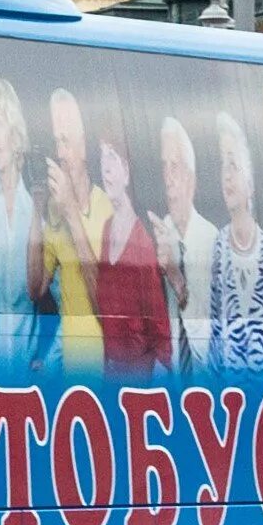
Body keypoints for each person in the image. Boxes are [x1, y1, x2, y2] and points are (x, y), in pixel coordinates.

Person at [39, 89, 109, 377]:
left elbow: (103, 305)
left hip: (105, 375)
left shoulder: (107, 210)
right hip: (70, 374)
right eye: (56, 142)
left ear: (84, 145)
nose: (59, 153)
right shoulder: (55, 214)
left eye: (65, 142)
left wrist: (71, 214)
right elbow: (36, 291)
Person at [207, 113, 263, 375]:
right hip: (229, 398)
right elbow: (215, 328)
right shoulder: (219, 247)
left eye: (234, 166)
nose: (226, 176)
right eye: (223, 166)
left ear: (250, 184)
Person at [0, 78, 42, 371]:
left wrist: (46, 363)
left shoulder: (36, 210)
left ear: (16, 135)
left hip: (29, 379)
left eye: (0, 124)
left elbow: (58, 298)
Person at [95, 140, 174, 371]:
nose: (106, 171)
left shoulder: (142, 237)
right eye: (102, 164)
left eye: (111, 161)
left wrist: (164, 362)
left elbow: (157, 312)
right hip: (111, 366)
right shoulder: (106, 229)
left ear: (127, 172)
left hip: (140, 368)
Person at [150, 115, 219, 370]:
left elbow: (208, 344)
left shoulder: (211, 242)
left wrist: (175, 275)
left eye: (175, 167)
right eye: (164, 166)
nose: (168, 177)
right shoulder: (157, 237)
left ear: (191, 179)